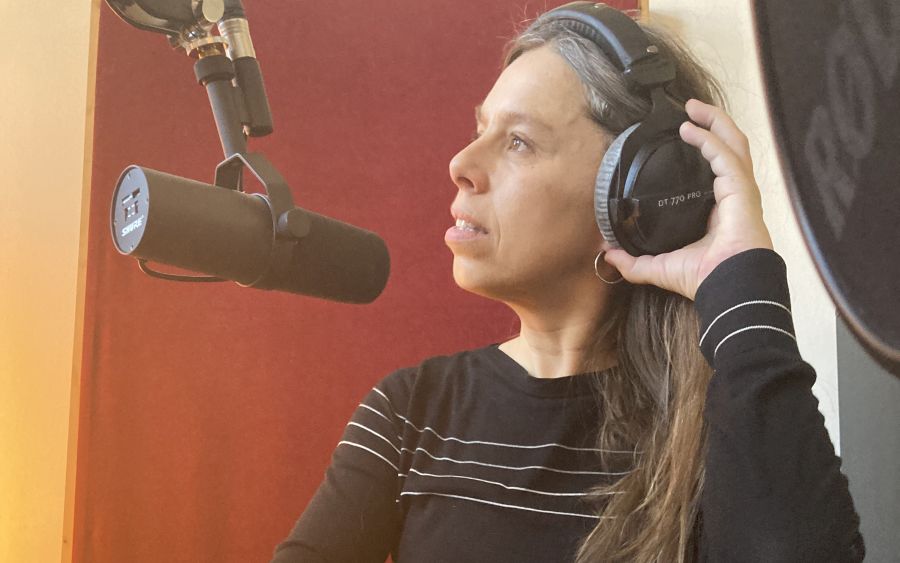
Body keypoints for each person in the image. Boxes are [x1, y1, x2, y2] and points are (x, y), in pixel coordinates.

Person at [271, 5, 864, 562]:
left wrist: (740, 278)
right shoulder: (411, 411)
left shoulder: (722, 432)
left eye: (519, 142)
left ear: (635, 187)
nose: (460, 164)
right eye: (480, 129)